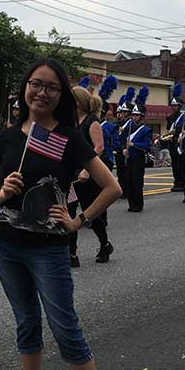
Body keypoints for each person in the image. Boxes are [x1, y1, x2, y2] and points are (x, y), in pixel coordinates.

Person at [0, 57, 120, 370]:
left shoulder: (68, 137)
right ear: (25, 88)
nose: (41, 92)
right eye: (35, 84)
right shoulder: (8, 137)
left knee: (65, 329)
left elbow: (111, 187)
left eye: (51, 87)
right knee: (26, 323)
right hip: (6, 244)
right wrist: (3, 192)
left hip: (48, 249)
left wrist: (79, 222)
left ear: (60, 94)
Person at [68, 87, 113, 266]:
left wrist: (87, 169)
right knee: (69, 212)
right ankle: (71, 253)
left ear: (77, 102)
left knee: (90, 213)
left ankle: (104, 244)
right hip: (72, 174)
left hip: (87, 174)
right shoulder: (71, 121)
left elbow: (99, 147)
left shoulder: (92, 121)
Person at [123, 103, 152, 212]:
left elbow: (147, 145)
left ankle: (138, 205)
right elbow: (122, 141)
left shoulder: (145, 130)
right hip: (129, 158)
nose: (134, 117)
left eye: (137, 115)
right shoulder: (129, 128)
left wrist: (134, 145)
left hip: (138, 159)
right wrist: (123, 149)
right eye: (133, 115)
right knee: (129, 182)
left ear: (142, 116)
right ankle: (131, 204)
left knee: (137, 182)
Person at [166, 94, 185, 191]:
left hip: (179, 143)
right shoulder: (170, 118)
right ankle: (176, 182)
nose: (174, 107)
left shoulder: (183, 117)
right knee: (174, 164)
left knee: (180, 164)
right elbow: (169, 130)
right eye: (172, 106)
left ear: (179, 106)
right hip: (172, 143)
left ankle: (181, 182)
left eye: (175, 105)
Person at [113, 99, 130, 199]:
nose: (122, 114)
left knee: (126, 172)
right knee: (120, 172)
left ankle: (126, 190)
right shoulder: (119, 123)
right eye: (121, 112)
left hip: (125, 150)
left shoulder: (130, 123)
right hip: (119, 150)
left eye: (124, 112)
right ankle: (122, 189)